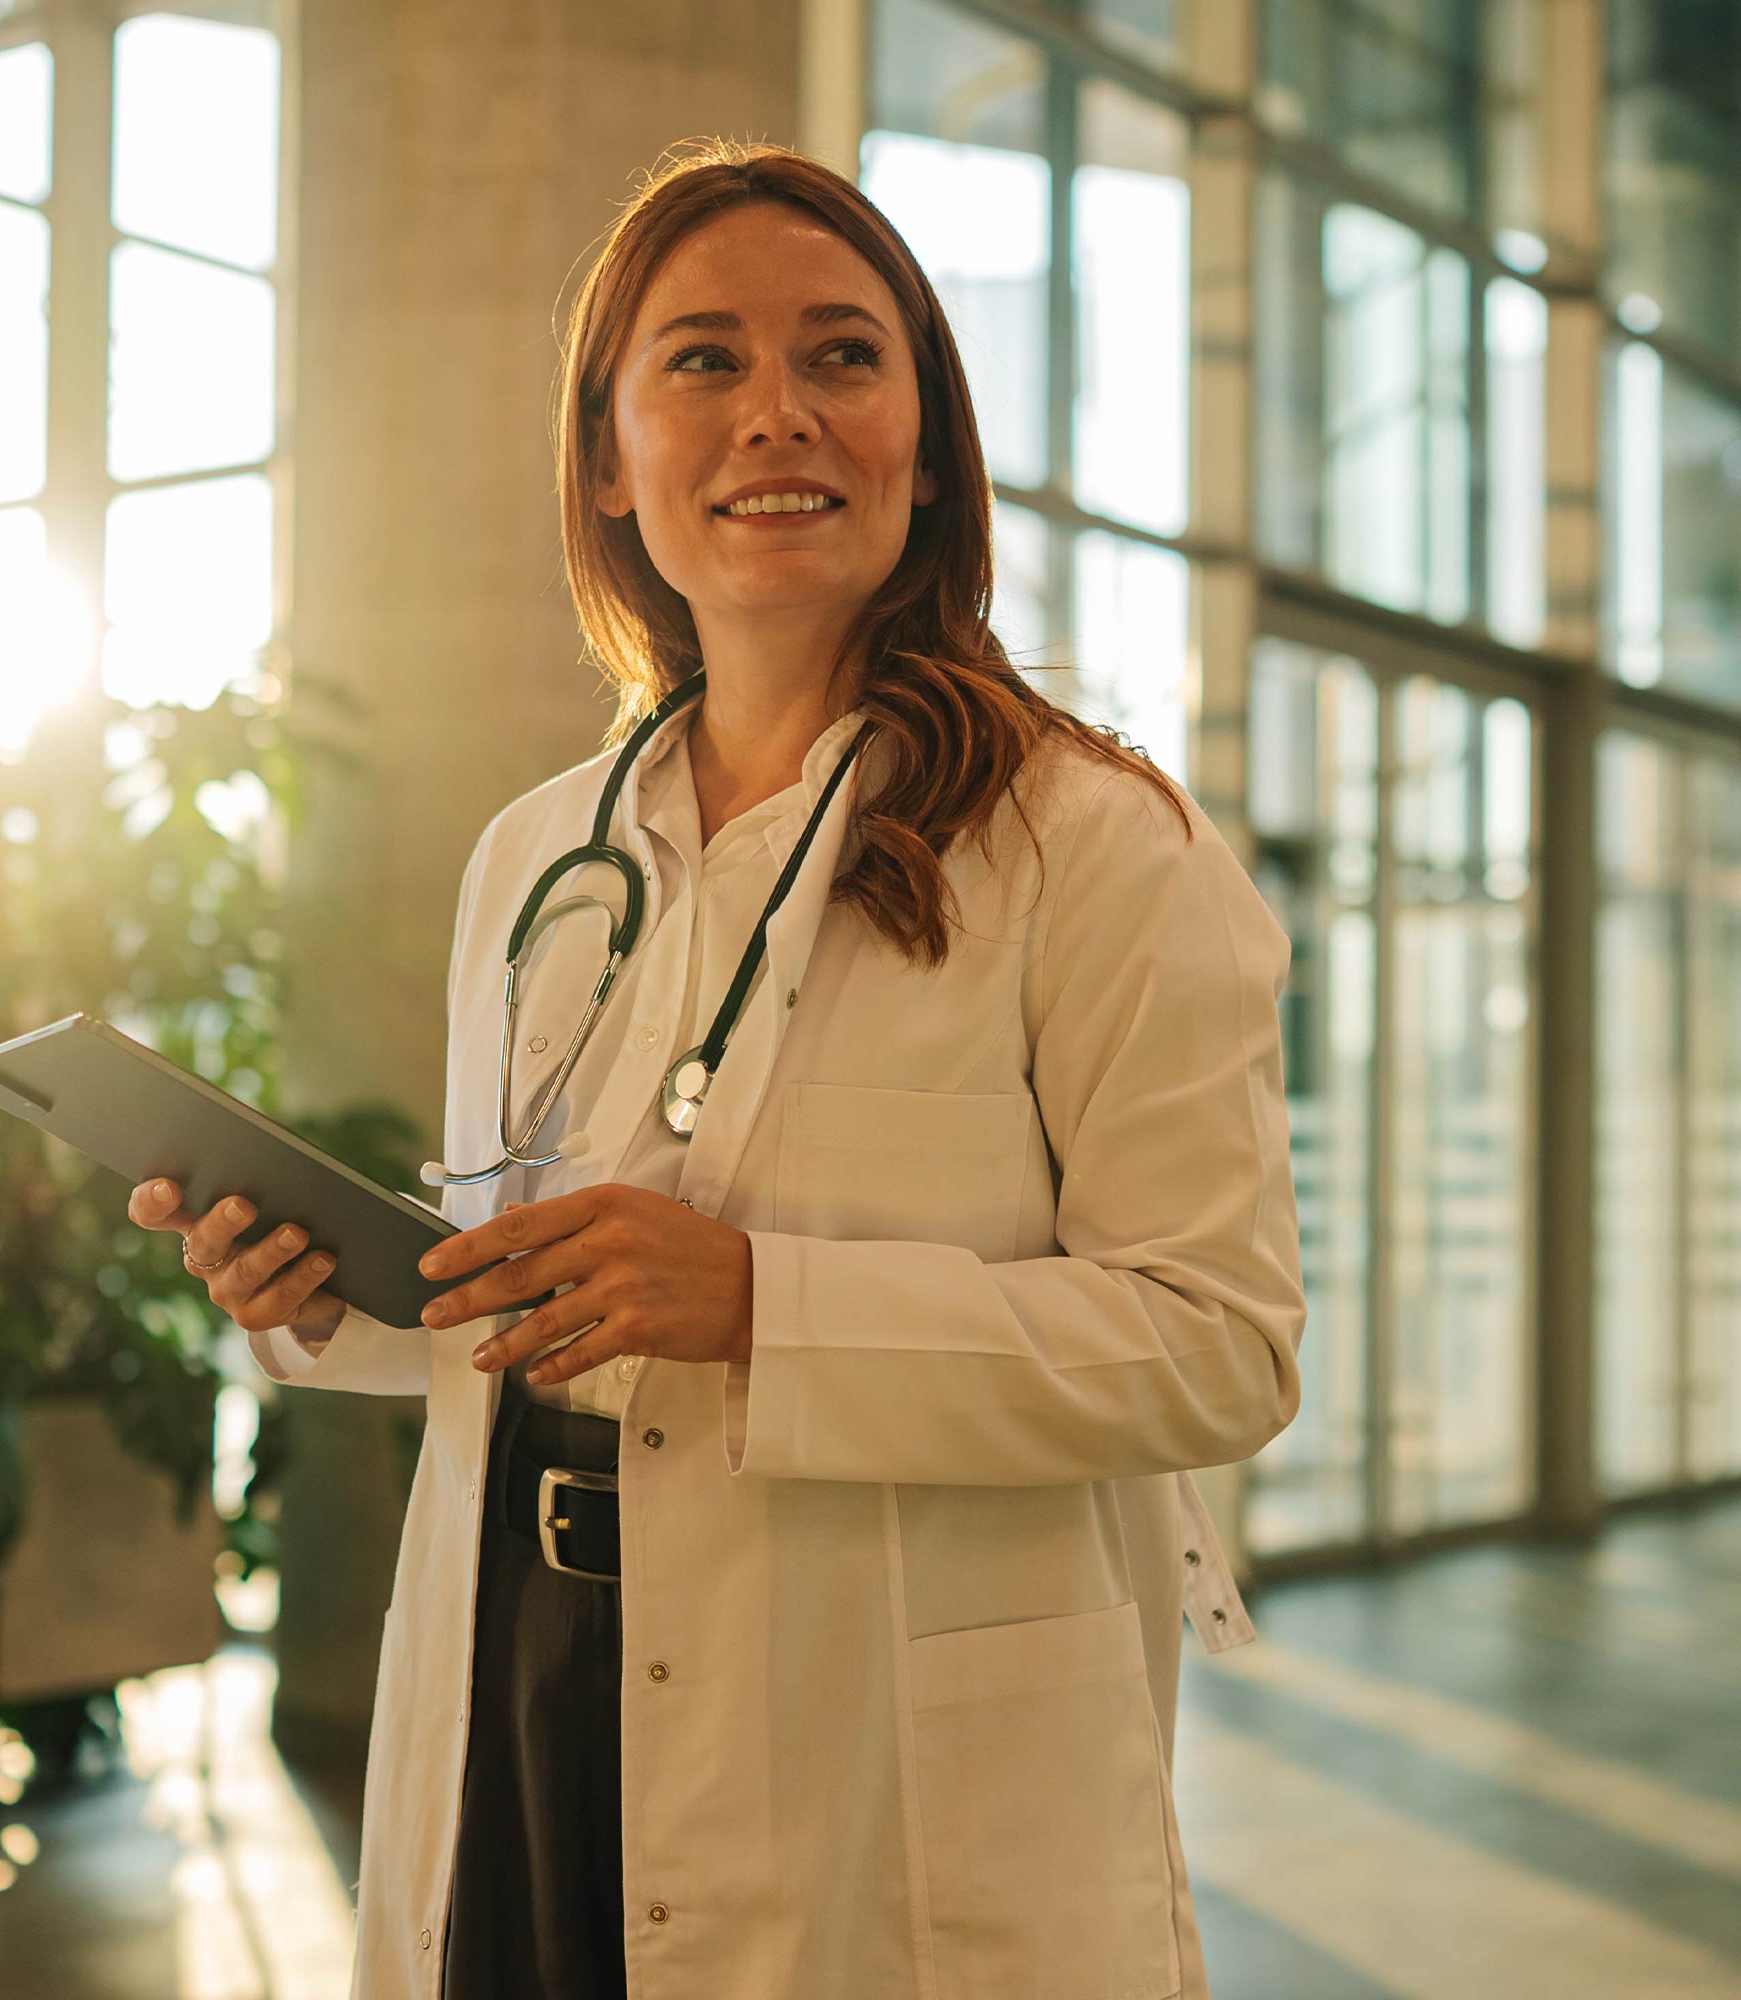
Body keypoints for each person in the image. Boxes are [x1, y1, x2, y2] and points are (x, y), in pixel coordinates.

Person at [129, 137, 1303, 2000]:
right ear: (606, 458)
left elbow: (1222, 1341)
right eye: (704, 361)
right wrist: (322, 1300)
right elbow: (525, 1284)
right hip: (524, 1669)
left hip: (872, 1745)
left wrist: (766, 1305)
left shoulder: (1093, 844)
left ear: (926, 441)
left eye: (844, 357)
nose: (780, 414)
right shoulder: (537, 858)